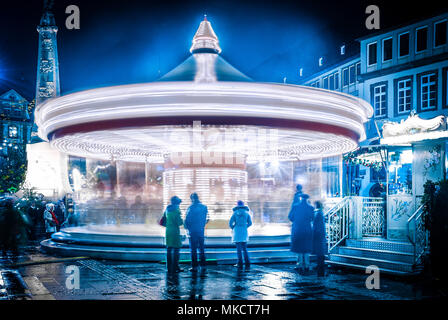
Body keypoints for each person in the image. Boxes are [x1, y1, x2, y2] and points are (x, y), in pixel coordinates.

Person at [288, 193, 314, 273]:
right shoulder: (310, 207)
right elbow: (312, 218)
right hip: (307, 229)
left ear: (300, 198)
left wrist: (296, 221)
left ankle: (299, 264)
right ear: (307, 199)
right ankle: (306, 264)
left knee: (299, 247)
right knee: (306, 247)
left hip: (297, 229)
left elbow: (290, 217)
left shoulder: (295, 206)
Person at [184, 193, 209, 272]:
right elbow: (207, 219)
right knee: (201, 249)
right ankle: (203, 265)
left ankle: (194, 267)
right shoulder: (204, 207)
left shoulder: (190, 208)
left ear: (192, 199)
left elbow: (186, 220)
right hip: (201, 231)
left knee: (193, 249)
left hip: (192, 231)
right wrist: (202, 225)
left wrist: (187, 228)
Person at [0, 197, 29, 262]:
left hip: (8, 229)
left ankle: (10, 254)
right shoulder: (11, 210)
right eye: (11, 201)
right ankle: (13, 255)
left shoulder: (6, 210)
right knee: (11, 242)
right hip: (10, 229)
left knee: (9, 242)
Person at [229, 200, 252, 269]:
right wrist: (245, 226)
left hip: (237, 231)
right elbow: (250, 223)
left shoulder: (235, 213)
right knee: (244, 248)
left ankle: (240, 263)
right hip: (244, 231)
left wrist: (233, 227)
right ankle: (247, 262)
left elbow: (230, 223)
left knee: (238, 249)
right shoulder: (247, 214)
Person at [164, 196, 184, 274]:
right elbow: (179, 222)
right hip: (175, 231)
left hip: (168, 230)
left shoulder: (167, 209)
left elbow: (165, 219)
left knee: (169, 249)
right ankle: (176, 267)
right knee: (176, 249)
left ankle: (169, 268)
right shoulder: (177, 210)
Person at [312, 201, 327, 277]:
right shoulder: (319, 213)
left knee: (320, 254)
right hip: (320, 237)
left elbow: (316, 226)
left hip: (318, 237)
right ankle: (321, 271)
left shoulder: (317, 214)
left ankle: (320, 271)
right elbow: (321, 227)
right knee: (321, 254)